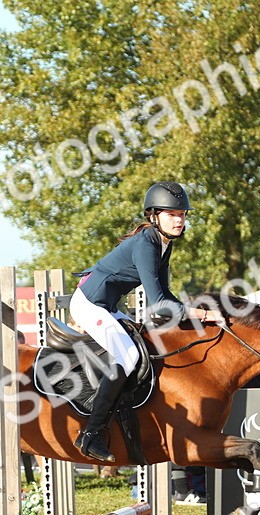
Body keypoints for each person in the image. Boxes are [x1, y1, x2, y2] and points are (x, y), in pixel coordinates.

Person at [68, 181, 222, 462]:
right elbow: (159, 303)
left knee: (145, 344)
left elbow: (164, 295)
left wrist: (194, 314)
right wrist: (202, 314)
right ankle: (90, 434)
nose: (180, 220)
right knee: (126, 355)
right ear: (154, 216)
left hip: (107, 306)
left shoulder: (163, 244)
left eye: (183, 215)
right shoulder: (146, 243)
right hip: (89, 305)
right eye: (173, 214)